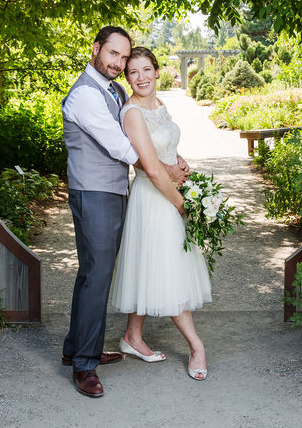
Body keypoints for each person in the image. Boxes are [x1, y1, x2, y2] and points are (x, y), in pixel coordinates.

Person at [61, 27, 188, 398]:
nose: (118, 63)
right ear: (96, 48)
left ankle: (76, 347)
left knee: (92, 273)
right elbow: (122, 146)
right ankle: (85, 366)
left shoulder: (113, 90)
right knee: (98, 275)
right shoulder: (85, 95)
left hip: (114, 191)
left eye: (123, 57)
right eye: (113, 54)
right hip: (93, 191)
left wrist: (169, 161)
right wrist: (164, 171)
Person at [109, 47, 212, 381]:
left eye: (146, 70)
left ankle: (132, 337)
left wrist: (181, 161)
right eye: (133, 72)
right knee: (168, 269)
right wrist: (183, 204)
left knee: (150, 266)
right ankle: (197, 346)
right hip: (154, 199)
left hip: (168, 190)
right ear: (128, 78)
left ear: (156, 71)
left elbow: (166, 149)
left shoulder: (160, 106)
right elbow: (152, 168)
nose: (140, 78)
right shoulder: (133, 113)